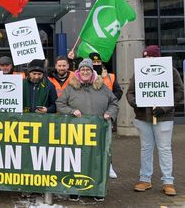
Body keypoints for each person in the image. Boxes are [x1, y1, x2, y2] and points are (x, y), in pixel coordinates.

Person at [56, 58, 118, 202]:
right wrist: (71, 111)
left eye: (88, 70)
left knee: (97, 160)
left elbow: (114, 103)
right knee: (77, 159)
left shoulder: (102, 86)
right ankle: (75, 189)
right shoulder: (71, 87)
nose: (85, 72)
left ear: (92, 71)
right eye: (82, 69)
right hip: (76, 132)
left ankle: (97, 189)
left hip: (98, 132)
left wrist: (110, 114)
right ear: (78, 71)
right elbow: (60, 103)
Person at [126, 45, 184, 196]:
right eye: (145, 57)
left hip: (164, 117)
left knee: (164, 149)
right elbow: (130, 93)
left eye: (151, 56)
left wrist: (164, 107)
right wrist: (136, 102)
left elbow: (180, 91)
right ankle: (145, 179)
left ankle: (168, 182)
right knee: (146, 148)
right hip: (143, 117)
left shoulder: (170, 71)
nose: (148, 59)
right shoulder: (139, 71)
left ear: (157, 57)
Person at [88, 52, 122, 179]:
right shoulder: (84, 75)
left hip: (105, 114)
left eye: (98, 62)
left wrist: (110, 101)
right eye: (94, 63)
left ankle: (109, 166)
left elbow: (118, 91)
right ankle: (91, 166)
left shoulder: (110, 76)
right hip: (89, 113)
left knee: (105, 141)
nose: (96, 64)